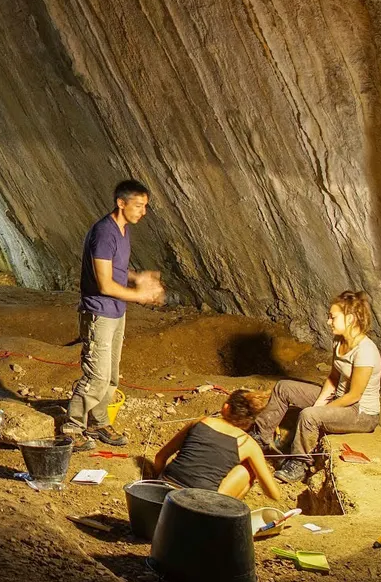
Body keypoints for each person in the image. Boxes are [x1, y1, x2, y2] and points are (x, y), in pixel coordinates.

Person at [63, 179, 166, 451]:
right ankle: (72, 427)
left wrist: (137, 277)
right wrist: (140, 295)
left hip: (116, 312)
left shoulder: (122, 230)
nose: (143, 211)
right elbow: (105, 284)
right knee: (96, 376)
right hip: (99, 312)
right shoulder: (104, 233)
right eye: (138, 205)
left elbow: (113, 267)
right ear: (121, 203)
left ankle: (98, 422)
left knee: (111, 375)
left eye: (145, 206)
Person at [251, 290, 381, 483]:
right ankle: (260, 437)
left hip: (361, 413)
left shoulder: (365, 351)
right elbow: (334, 377)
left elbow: (354, 395)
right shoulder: (340, 341)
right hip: (340, 399)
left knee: (309, 415)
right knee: (283, 388)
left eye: (333, 317)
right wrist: (321, 402)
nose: (328, 322)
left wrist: (320, 410)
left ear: (350, 319)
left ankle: (299, 464)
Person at [154, 389, 284, 500]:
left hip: (165, 492)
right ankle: (222, 515)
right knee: (248, 468)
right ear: (250, 421)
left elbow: (160, 457)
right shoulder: (248, 444)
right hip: (199, 505)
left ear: (226, 407)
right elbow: (274, 495)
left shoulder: (201, 421)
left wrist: (156, 480)